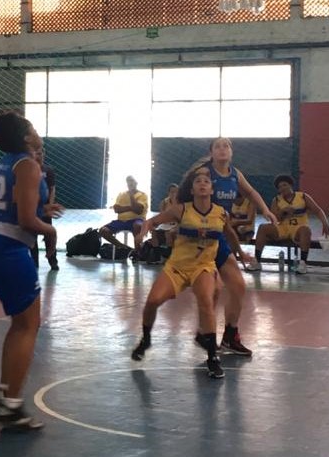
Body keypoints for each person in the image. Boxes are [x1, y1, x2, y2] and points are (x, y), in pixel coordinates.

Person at [0, 112, 61, 431]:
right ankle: (11, 404)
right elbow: (25, 220)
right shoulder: (29, 164)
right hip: (6, 246)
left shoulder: (9, 161)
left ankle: (5, 393)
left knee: (21, 323)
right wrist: (49, 231)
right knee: (29, 325)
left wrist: (42, 210)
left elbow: (16, 206)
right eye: (34, 128)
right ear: (26, 138)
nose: (38, 132)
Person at [131, 166, 227, 379]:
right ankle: (146, 339)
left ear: (211, 189)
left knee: (206, 301)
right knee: (153, 301)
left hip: (203, 266)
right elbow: (151, 221)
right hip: (177, 266)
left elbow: (228, 235)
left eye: (206, 181)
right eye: (198, 181)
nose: (202, 183)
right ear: (192, 190)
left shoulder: (220, 213)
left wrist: (241, 254)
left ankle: (212, 357)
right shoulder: (181, 210)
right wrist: (142, 233)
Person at [200, 136, 277, 357]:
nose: (223, 149)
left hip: (220, 234)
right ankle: (204, 334)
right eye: (218, 146)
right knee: (211, 291)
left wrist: (265, 210)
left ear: (231, 152)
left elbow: (251, 193)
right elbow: (184, 201)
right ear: (211, 152)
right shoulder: (204, 174)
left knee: (238, 287)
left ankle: (230, 337)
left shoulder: (235, 174)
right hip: (200, 239)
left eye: (226, 146)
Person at [252, 174, 329, 274]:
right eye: (280, 187)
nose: (282, 188)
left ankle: (303, 263)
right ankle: (257, 261)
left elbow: (318, 211)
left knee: (306, 230)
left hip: (298, 228)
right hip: (283, 228)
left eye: (284, 185)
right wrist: (283, 211)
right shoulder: (276, 200)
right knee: (262, 228)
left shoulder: (303, 196)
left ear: (291, 185)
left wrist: (325, 223)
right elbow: (273, 218)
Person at [99, 176, 147, 256]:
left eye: (132, 181)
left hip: (136, 219)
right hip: (121, 221)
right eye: (128, 181)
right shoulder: (121, 194)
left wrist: (131, 196)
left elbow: (138, 211)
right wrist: (131, 208)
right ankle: (125, 248)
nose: (130, 183)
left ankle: (138, 253)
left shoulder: (142, 195)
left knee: (138, 226)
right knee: (103, 230)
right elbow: (117, 209)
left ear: (136, 183)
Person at [30, 152, 59, 271]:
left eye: (41, 154)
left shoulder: (48, 170)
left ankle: (53, 261)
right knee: (32, 236)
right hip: (32, 208)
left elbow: (52, 188)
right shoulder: (28, 169)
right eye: (37, 154)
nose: (39, 156)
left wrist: (50, 205)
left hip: (45, 208)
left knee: (49, 235)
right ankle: (34, 262)